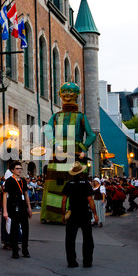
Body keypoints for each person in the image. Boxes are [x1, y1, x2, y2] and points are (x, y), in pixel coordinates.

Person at [40, 82, 96, 223]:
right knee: (56, 183)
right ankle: (55, 214)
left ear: (77, 95)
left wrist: (84, 148)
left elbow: (91, 135)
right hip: (59, 153)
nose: (67, 95)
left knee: (76, 182)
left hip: (75, 152)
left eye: (71, 92)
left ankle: (77, 213)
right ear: (60, 94)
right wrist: (54, 143)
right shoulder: (56, 116)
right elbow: (47, 129)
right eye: (64, 92)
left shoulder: (80, 116)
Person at [61, 161, 98, 268]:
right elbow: (90, 199)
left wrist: (63, 214)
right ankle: (87, 261)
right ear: (81, 173)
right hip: (84, 213)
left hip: (72, 213)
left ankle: (71, 261)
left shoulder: (69, 184)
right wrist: (95, 214)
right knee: (87, 238)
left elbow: (64, 200)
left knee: (70, 239)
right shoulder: (86, 184)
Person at [2, 161, 32, 259]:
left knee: (25, 229)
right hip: (13, 207)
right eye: (17, 169)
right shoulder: (9, 181)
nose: (19, 170)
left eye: (20, 168)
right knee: (14, 229)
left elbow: (26, 194)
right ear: (12, 170)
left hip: (23, 207)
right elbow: (5, 195)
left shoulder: (23, 180)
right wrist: (5, 211)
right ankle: (15, 250)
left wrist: (29, 208)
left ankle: (25, 249)